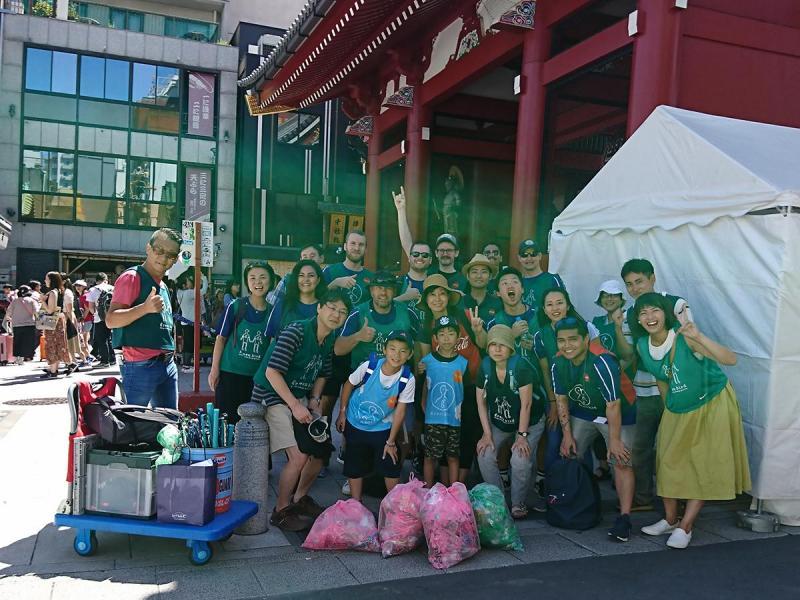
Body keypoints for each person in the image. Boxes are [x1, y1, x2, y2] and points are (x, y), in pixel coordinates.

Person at [633, 293, 750, 549]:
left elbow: (731, 359)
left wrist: (698, 336)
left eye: (654, 311)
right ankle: (671, 519)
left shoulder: (685, 338)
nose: (649, 317)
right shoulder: (642, 344)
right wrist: (669, 411)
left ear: (665, 313)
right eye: (643, 313)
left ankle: (685, 527)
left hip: (710, 403)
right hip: (677, 407)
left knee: (700, 463)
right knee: (667, 461)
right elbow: (661, 379)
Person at [250, 289, 352, 531]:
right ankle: (281, 509)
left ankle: (299, 499)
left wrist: (315, 398)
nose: (336, 314)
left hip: (298, 398)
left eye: (342, 311)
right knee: (297, 456)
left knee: (321, 450)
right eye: (332, 307)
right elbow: (271, 372)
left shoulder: (329, 338)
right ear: (319, 307)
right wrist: (295, 405)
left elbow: (324, 373)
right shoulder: (296, 331)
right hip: (271, 397)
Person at [552, 317, 636, 542]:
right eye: (561, 340)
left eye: (573, 339)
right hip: (585, 411)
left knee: (621, 460)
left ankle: (625, 517)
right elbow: (561, 400)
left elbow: (613, 404)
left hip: (619, 412)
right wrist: (567, 435)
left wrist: (615, 440)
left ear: (585, 339)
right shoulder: (557, 362)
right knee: (569, 452)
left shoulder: (602, 361)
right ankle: (580, 503)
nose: (567, 345)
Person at [619, 258, 693, 511]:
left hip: (677, 388)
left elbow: (691, 343)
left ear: (653, 278)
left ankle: (683, 497)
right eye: (629, 284)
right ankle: (643, 499)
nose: (635, 288)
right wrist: (618, 329)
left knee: (676, 446)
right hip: (644, 389)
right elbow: (629, 355)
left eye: (639, 281)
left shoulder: (676, 304)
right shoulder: (630, 313)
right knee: (641, 447)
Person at [418, 274, 485, 483]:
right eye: (432, 295)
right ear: (426, 300)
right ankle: (444, 487)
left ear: (448, 296)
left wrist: (478, 330)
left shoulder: (464, 315)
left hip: (472, 385)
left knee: (466, 436)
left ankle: (458, 487)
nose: (437, 299)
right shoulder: (426, 327)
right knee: (445, 437)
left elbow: (484, 344)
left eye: (441, 294)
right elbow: (425, 365)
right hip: (444, 392)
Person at [106, 228, 181, 408]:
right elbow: (111, 320)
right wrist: (144, 308)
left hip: (167, 363)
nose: (163, 258)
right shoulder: (132, 277)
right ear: (148, 248)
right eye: (159, 251)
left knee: (168, 426)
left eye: (170, 255)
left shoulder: (162, 285)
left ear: (176, 259)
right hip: (140, 365)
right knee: (134, 423)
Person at [337, 331, 416, 502]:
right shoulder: (370, 366)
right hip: (355, 422)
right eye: (393, 349)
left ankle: (394, 508)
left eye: (403, 351)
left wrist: (391, 441)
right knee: (354, 464)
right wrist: (342, 413)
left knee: (390, 464)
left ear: (410, 354)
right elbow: (349, 384)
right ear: (385, 350)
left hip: (382, 427)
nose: (397, 355)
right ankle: (356, 504)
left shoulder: (407, 378)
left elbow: (400, 411)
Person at [476, 325, 545, 519]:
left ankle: (518, 503)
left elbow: (527, 404)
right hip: (499, 420)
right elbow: (480, 402)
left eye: (503, 345)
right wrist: (486, 434)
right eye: (493, 345)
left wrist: (522, 437)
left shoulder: (520, 366)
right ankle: (497, 500)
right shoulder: (485, 366)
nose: (497, 349)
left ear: (511, 349)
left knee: (520, 457)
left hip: (528, 421)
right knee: (484, 452)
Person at [532, 287, 600, 471]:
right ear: (544, 309)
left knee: (580, 444)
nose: (555, 308)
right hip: (556, 396)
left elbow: (598, 361)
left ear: (568, 305)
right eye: (550, 304)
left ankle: (585, 490)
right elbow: (546, 371)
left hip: (584, 397)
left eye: (559, 303)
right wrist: (553, 402)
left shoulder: (586, 328)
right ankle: (554, 492)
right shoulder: (541, 335)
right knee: (554, 442)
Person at [208, 261, 275, 424]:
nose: (257, 282)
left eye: (262, 277)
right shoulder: (235, 306)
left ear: (271, 281)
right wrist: (214, 369)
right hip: (229, 375)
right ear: (247, 282)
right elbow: (221, 338)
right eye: (252, 278)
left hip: (256, 379)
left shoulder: (273, 311)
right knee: (226, 422)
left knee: (251, 425)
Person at [334, 271, 419, 372]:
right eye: (379, 288)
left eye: (388, 288)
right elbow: (338, 350)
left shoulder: (407, 313)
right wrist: (358, 336)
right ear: (371, 291)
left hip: (397, 377)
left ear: (395, 291)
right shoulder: (358, 313)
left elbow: (419, 345)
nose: (383, 293)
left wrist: (417, 376)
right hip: (363, 377)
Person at [420, 316, 469, 488]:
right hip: (433, 419)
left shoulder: (463, 363)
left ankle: (454, 493)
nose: (446, 337)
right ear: (435, 338)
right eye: (442, 334)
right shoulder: (426, 362)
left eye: (451, 333)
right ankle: (427, 491)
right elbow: (423, 386)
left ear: (458, 337)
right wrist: (423, 402)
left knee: (453, 456)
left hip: (455, 420)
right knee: (430, 456)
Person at [486, 267, 537, 366]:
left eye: (514, 282)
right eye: (505, 283)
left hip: (538, 378)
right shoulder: (494, 323)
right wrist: (511, 335)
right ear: (498, 293)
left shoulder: (539, 316)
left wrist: (536, 346)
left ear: (522, 289)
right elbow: (491, 357)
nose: (510, 286)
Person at [265, 259, 327, 341]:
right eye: (301, 275)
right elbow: (272, 338)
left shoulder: (325, 308)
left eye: (311, 275)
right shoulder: (283, 305)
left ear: (318, 280)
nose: (306, 279)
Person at [40, 271, 75, 378]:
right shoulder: (59, 291)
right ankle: (56, 369)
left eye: (46, 278)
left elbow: (50, 310)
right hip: (58, 320)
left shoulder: (52, 292)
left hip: (53, 321)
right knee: (58, 344)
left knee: (52, 344)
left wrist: (42, 301)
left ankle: (55, 369)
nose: (45, 280)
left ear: (51, 280)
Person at [517, 239, 565, 310]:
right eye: (524, 255)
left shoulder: (552, 279)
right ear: (519, 258)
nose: (529, 258)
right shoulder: (516, 283)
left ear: (539, 256)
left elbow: (563, 306)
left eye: (533, 254)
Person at [176, 275, 207, 373]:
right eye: (188, 281)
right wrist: (204, 279)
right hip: (191, 322)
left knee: (187, 344)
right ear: (184, 285)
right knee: (191, 344)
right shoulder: (189, 293)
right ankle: (187, 366)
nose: (190, 282)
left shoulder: (179, 293)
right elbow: (203, 291)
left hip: (185, 322)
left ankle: (186, 365)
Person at [2, 284, 39, 363]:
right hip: (30, 325)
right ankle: (27, 357)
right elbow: (36, 312)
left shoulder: (15, 301)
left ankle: (18, 358)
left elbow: (8, 313)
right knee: (28, 341)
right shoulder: (32, 300)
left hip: (17, 325)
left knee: (18, 341)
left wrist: (11, 319)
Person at [461, 253, 502, 323]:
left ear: (490, 276)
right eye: (474, 272)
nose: (479, 276)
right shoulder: (460, 302)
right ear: (468, 276)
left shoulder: (498, 303)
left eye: (484, 272)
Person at [591, 280, 628, 355]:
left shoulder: (628, 319)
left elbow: (630, 355)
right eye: (605, 295)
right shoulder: (597, 322)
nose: (609, 299)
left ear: (621, 299)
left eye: (614, 295)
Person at [86, 273, 115, 367]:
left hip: (99, 318)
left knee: (101, 339)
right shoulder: (113, 288)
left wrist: (95, 313)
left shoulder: (93, 290)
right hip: (112, 317)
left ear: (96, 280)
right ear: (106, 279)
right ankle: (112, 359)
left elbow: (91, 307)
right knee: (109, 338)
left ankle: (104, 361)